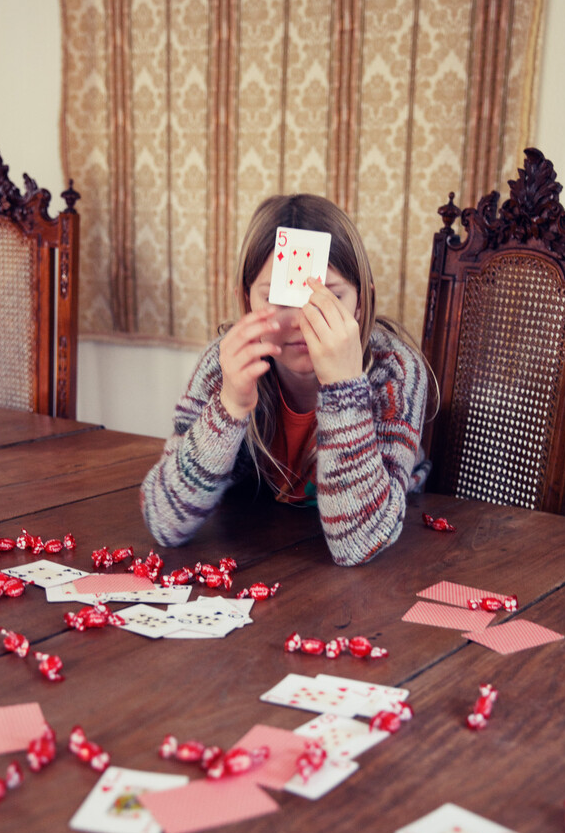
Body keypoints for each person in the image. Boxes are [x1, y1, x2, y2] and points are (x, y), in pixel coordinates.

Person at [140, 194, 432, 566]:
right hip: (265, 544)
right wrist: (230, 406)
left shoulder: (395, 370)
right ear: (246, 303)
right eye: (278, 297)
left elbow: (359, 545)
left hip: (386, 555)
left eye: (327, 298)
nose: (299, 320)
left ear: (360, 303)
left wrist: (344, 389)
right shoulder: (226, 363)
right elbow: (164, 522)